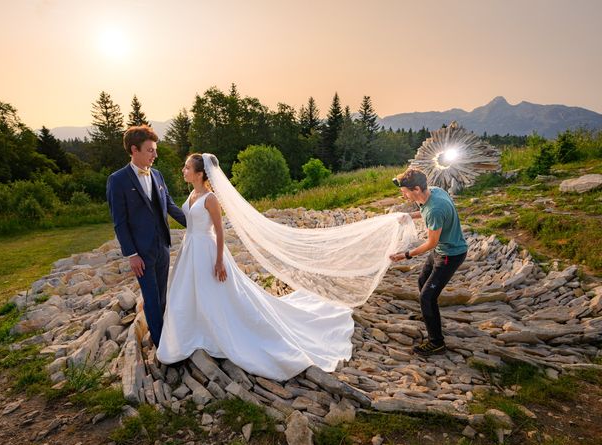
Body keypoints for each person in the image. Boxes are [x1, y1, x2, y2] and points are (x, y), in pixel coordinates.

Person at [156, 153, 354, 381]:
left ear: (200, 174)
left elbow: (219, 231)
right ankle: (192, 332)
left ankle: (216, 334)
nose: (183, 170)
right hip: (190, 248)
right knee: (187, 291)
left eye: (187, 167)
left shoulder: (210, 198)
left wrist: (219, 260)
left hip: (207, 250)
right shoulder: (192, 193)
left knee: (214, 292)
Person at [106, 125, 186, 347]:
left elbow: (169, 205)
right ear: (134, 150)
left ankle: (163, 334)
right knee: (150, 299)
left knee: (161, 297)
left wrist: (195, 223)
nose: (155, 154)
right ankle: (163, 346)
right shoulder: (118, 180)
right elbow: (119, 223)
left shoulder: (158, 175)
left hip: (162, 247)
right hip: (140, 252)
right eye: (150, 150)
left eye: (155, 150)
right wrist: (131, 254)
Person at [389, 167, 468, 357]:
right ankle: (428, 315)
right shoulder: (434, 192)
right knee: (422, 281)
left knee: (427, 297)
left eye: (405, 192)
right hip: (441, 250)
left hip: (450, 255)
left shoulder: (435, 209)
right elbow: (425, 214)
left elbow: (431, 242)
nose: (403, 195)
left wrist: (406, 255)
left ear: (416, 189)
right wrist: (409, 216)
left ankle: (436, 343)